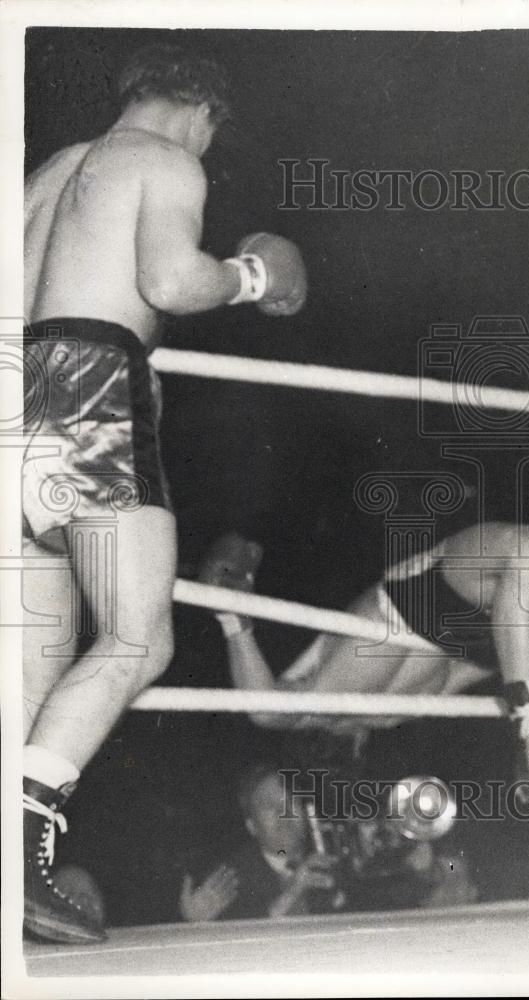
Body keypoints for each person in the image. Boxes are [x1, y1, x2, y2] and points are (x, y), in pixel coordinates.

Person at [22, 43, 307, 944]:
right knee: (138, 637)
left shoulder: (50, 174)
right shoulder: (167, 158)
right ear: (202, 112)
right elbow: (169, 281)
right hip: (88, 389)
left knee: (33, 659)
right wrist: (255, 275)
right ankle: (16, 848)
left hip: (13, 396)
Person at [198, 523, 529, 808]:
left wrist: (233, 620)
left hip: (452, 608)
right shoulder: (367, 707)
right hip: (469, 614)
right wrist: (232, 620)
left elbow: (265, 708)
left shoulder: (349, 696)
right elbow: (265, 710)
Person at [179, 764, 475, 921]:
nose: (284, 813)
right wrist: (192, 925)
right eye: (268, 805)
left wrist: (428, 868)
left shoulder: (335, 847)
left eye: (290, 802)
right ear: (250, 825)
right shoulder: (228, 877)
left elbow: (424, 888)